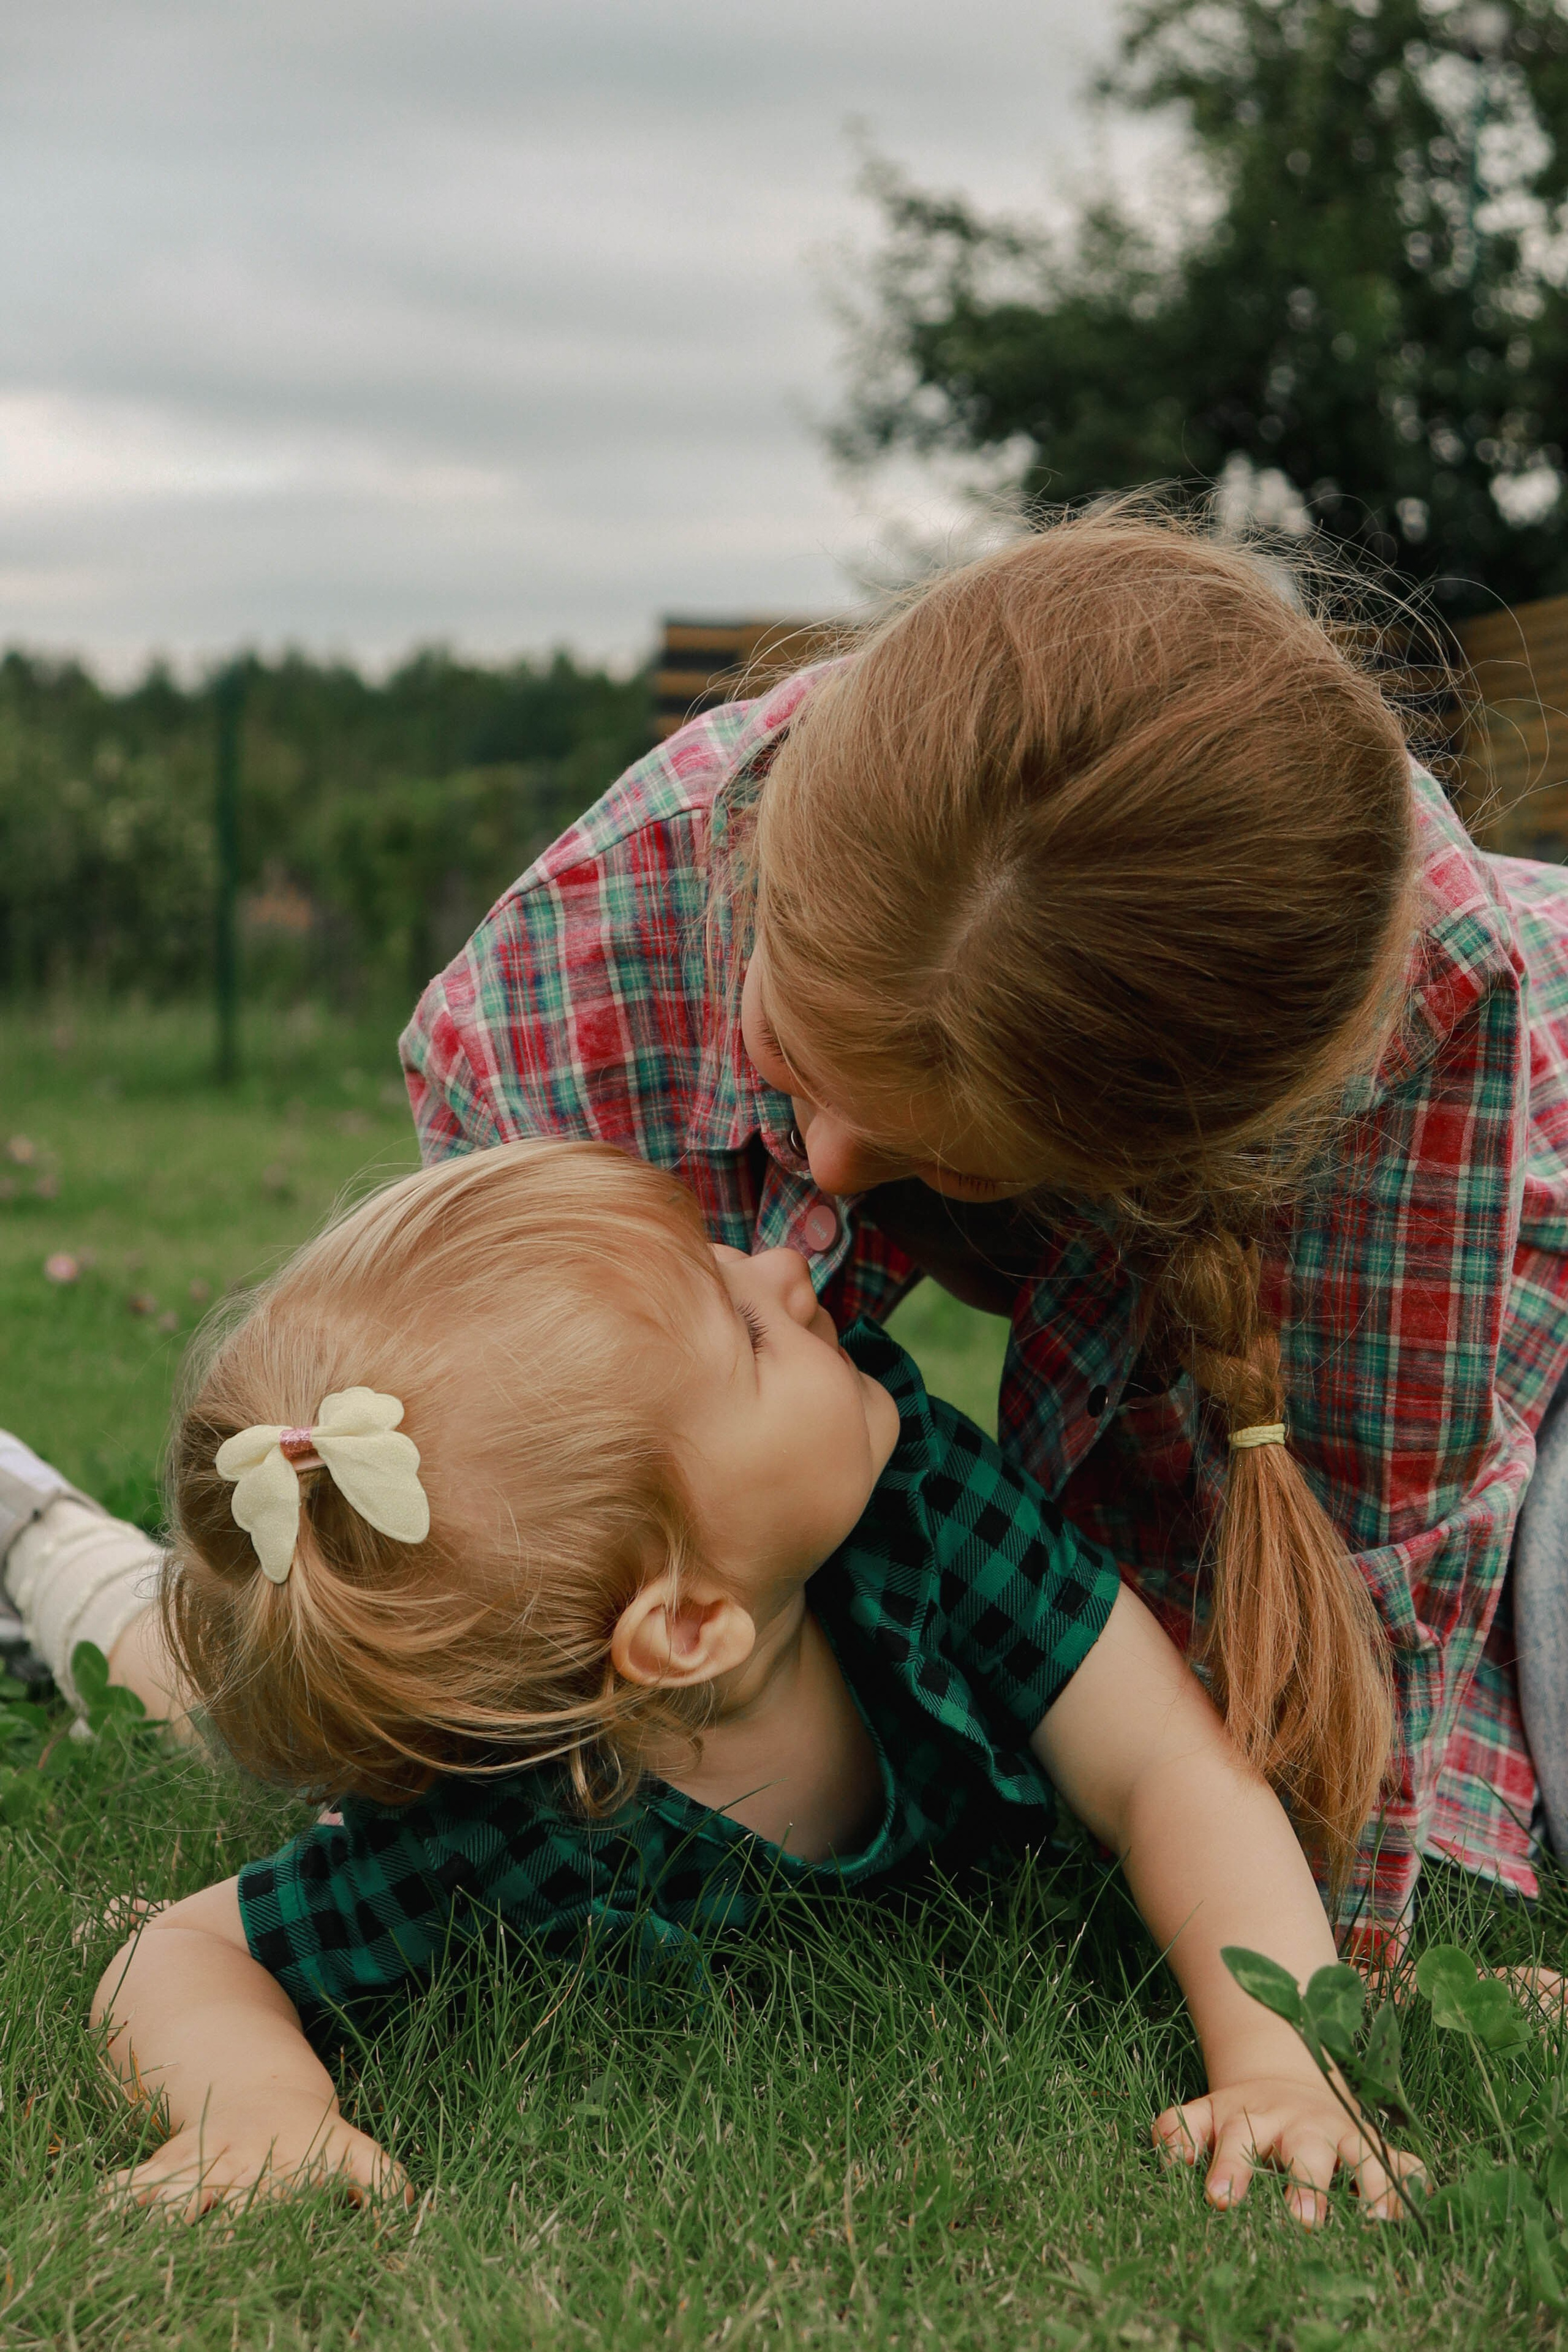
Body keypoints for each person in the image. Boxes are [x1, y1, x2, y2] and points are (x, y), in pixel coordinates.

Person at [388, 509, 1568, 1940]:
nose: (814, 1178)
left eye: (944, 1167)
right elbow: (534, 1545)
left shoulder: (1418, 1000)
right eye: (788, 1051)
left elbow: (1378, 1541)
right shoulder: (553, 999)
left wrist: (1332, 1963)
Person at [94, 1139, 1417, 2224]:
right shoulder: (501, 1830)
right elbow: (182, 1948)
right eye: (741, 1330)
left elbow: (1167, 1766)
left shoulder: (922, 1509)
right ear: (683, 1628)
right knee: (144, 1655)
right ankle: (48, 1543)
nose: (789, 1266)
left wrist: (1277, 2062)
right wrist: (263, 2109)